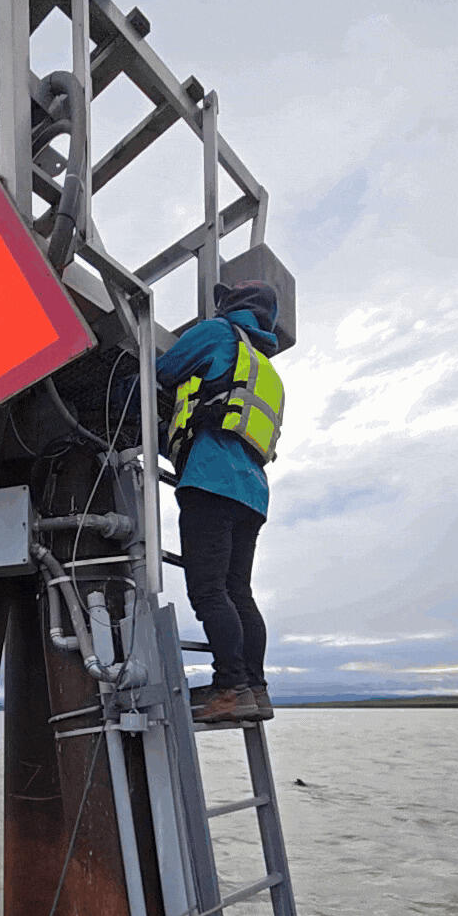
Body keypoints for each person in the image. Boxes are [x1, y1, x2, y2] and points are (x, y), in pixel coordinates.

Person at [156, 280, 284, 724]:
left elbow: (164, 367)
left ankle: (229, 687)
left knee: (209, 591)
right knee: (237, 592)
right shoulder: (267, 371)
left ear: (233, 305)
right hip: (253, 493)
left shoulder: (219, 333)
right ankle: (255, 688)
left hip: (212, 477)